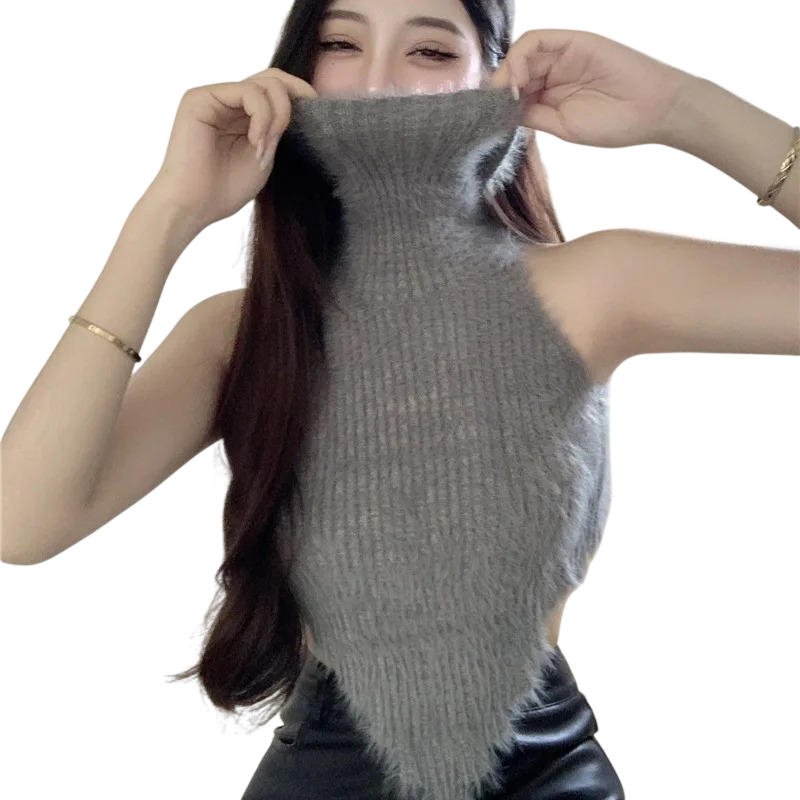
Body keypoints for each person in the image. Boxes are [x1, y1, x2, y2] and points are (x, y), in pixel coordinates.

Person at [1, 1, 623, 797]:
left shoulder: (586, 294)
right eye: (340, 42)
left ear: (500, 82)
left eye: (430, 52)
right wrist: (168, 212)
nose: (377, 81)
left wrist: (681, 111)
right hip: (330, 766)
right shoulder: (244, 334)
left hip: (547, 767)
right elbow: (19, 524)